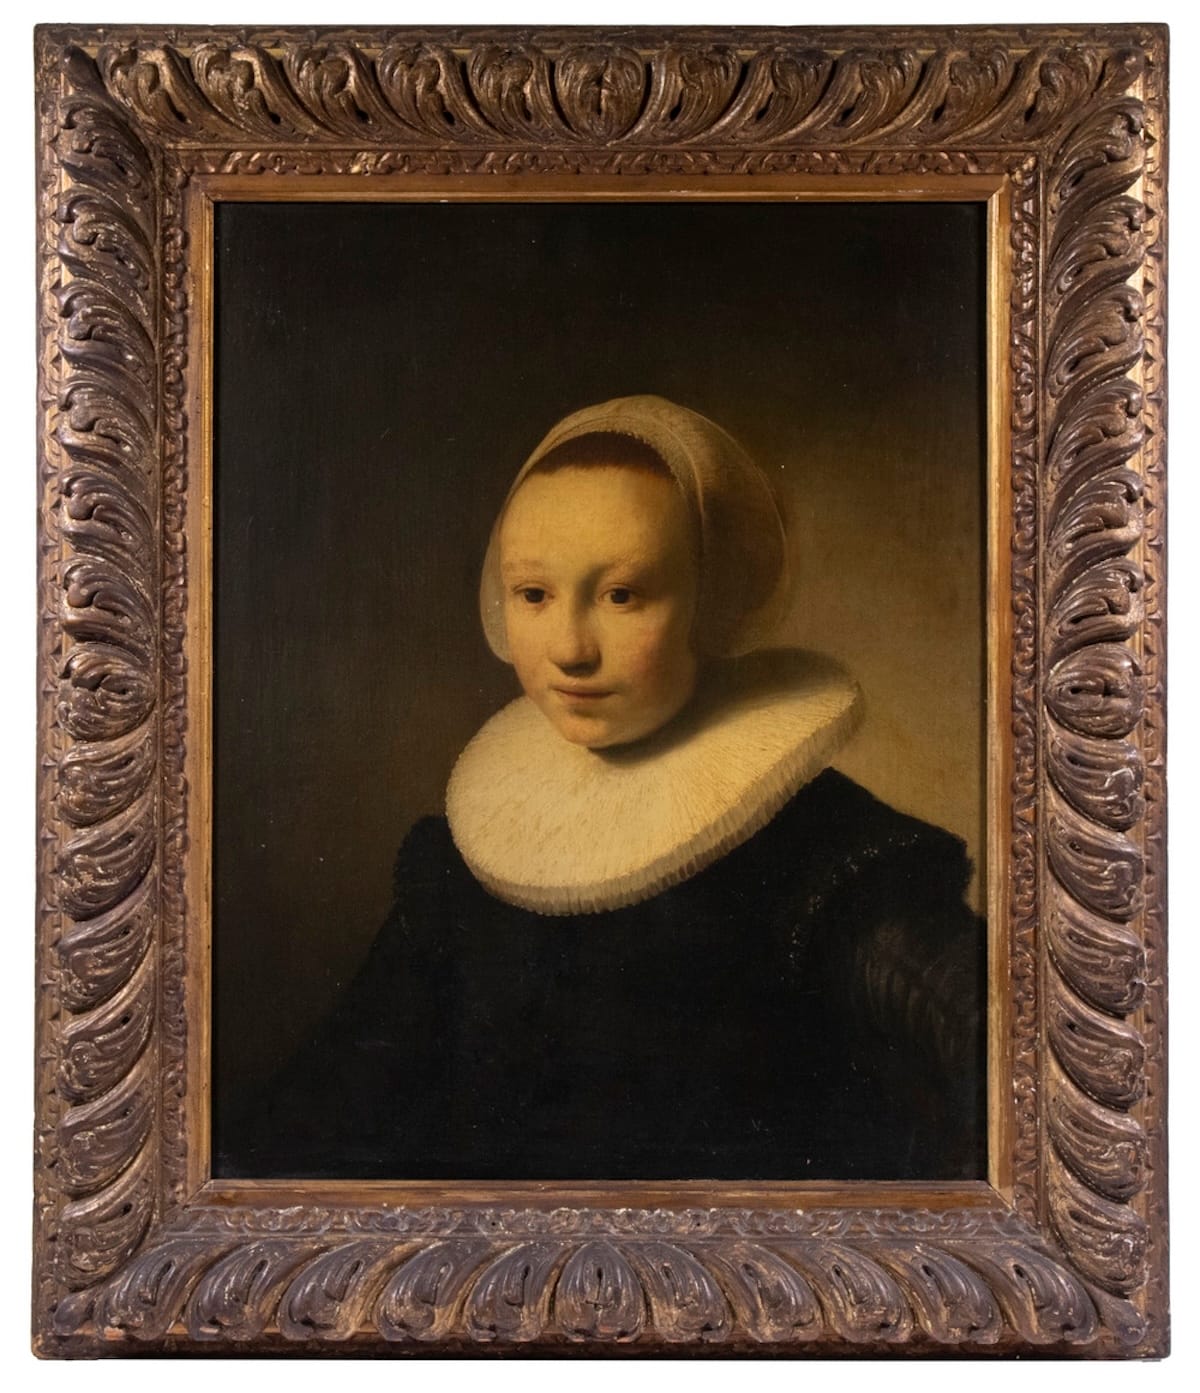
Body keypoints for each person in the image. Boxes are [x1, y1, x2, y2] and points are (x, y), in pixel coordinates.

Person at [219, 395, 986, 1181]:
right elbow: (319, 1111)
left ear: (712, 597)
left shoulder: (826, 851)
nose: (570, 649)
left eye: (622, 595)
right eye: (533, 594)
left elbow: (999, 1049)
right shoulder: (459, 869)